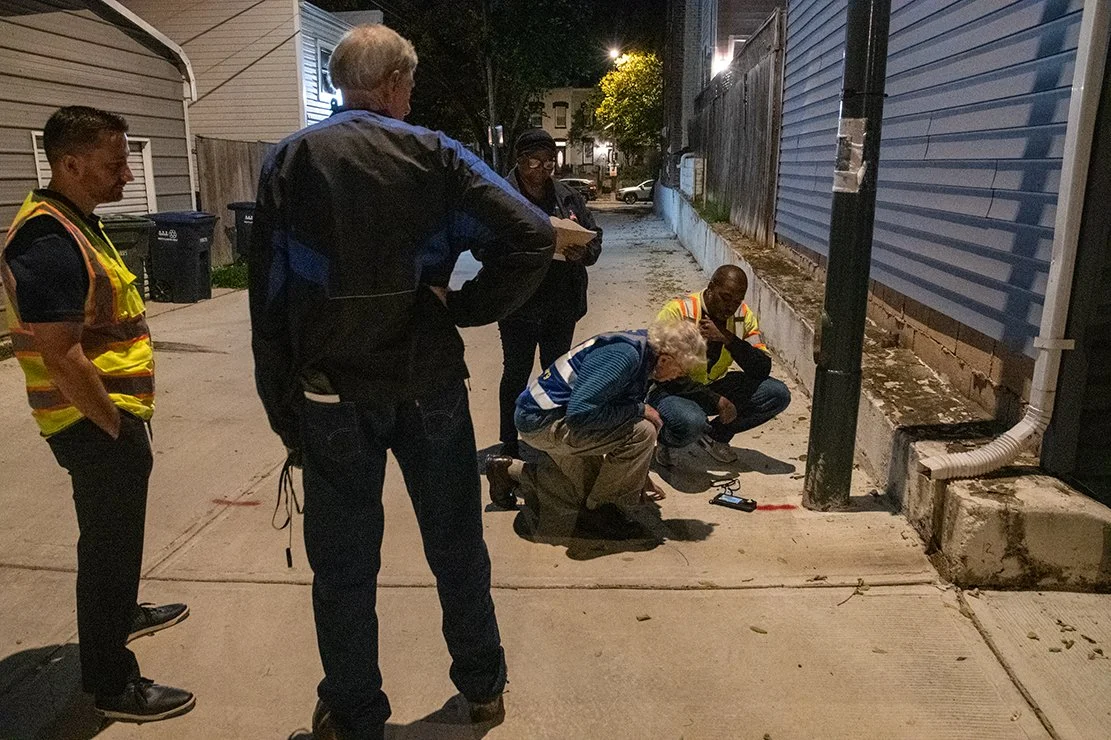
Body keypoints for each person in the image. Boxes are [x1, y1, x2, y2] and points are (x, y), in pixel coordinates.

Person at [248, 25, 557, 740]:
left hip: (331, 396)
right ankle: (482, 690)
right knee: (454, 544)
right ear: (390, 82)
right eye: (409, 86)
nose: (411, 98)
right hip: (428, 387)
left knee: (344, 566)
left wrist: (282, 409)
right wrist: (470, 308)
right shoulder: (434, 154)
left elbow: (267, 298)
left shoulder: (291, 161)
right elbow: (532, 236)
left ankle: (355, 715)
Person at [0, 107, 192, 722]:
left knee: (115, 538)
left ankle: (119, 612)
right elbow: (61, 354)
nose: (129, 175)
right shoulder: (48, 240)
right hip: (89, 421)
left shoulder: (78, 222)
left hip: (108, 414)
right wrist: (113, 424)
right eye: (115, 164)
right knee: (108, 546)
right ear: (70, 164)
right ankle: (111, 684)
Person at [485, 319, 706, 537]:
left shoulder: (643, 350)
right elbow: (580, 415)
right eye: (681, 370)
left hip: (549, 414)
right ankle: (605, 515)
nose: (677, 377)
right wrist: (639, 410)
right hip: (542, 421)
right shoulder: (624, 356)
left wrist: (636, 474)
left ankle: (509, 472)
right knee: (643, 431)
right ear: (666, 359)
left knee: (590, 491)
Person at [497, 129, 602, 458]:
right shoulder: (501, 194)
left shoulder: (568, 196)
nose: (542, 169)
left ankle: (551, 437)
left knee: (556, 373)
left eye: (549, 163)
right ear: (519, 160)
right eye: (534, 162)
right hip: (518, 303)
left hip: (561, 302)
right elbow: (483, 244)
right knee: (516, 372)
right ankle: (509, 442)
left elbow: (594, 237)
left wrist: (582, 252)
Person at [653, 265, 791, 465]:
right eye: (725, 298)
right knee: (691, 421)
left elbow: (762, 368)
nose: (730, 307)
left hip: (711, 384)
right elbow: (661, 372)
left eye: (737, 301)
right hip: (672, 389)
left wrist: (729, 339)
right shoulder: (678, 312)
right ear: (710, 289)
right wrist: (718, 401)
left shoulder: (743, 317)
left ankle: (715, 437)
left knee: (776, 393)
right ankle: (668, 440)